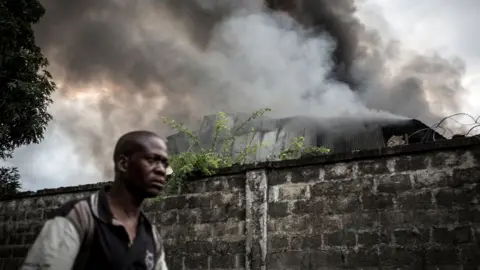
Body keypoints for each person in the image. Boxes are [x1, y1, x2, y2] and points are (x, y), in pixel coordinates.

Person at [21, 130, 170, 270]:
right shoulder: (79, 217)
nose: (161, 170)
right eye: (152, 160)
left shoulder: (150, 236)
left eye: (165, 163)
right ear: (123, 164)